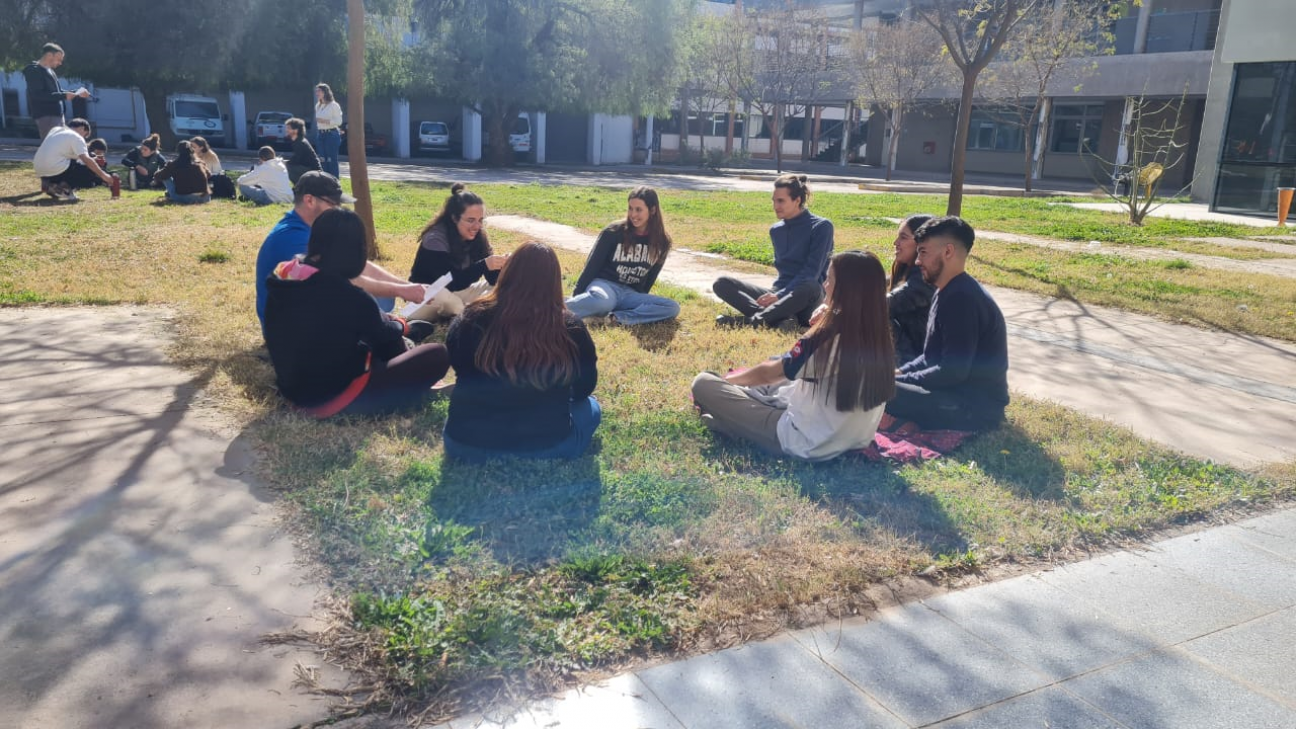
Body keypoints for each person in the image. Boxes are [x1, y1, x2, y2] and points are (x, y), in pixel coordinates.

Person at [692, 251, 896, 461]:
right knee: (780, 381)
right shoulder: (878, 333)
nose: (824, 285)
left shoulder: (829, 335)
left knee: (704, 382)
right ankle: (730, 424)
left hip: (804, 442)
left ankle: (731, 425)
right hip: (855, 438)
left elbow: (770, 374)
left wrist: (727, 382)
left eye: (829, 280)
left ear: (846, 290)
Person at [264, 207, 450, 417]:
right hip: (334, 398)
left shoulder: (283, 276)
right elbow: (383, 333)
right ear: (357, 251)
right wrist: (401, 325)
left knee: (383, 335)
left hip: (292, 389)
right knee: (437, 355)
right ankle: (413, 364)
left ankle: (406, 345)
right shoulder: (348, 296)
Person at [442, 241, 600, 461]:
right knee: (591, 407)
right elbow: (584, 387)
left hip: (465, 442)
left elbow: (457, 363)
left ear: (508, 272)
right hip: (545, 445)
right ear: (553, 282)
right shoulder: (570, 326)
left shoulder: (470, 318)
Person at [254, 171, 426, 333]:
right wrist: (399, 290)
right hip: (292, 330)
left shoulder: (312, 230)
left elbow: (355, 265)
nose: (339, 209)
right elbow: (340, 280)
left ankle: (387, 326)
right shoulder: (294, 238)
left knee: (381, 298)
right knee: (367, 298)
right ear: (309, 200)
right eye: (333, 203)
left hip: (307, 315)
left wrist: (405, 286)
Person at [886, 216, 1009, 431]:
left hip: (973, 408)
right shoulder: (947, 290)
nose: (917, 261)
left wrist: (903, 381)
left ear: (948, 252)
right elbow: (930, 357)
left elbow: (953, 371)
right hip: (955, 396)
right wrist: (900, 373)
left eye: (923, 252)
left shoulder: (961, 299)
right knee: (875, 384)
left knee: (871, 390)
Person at [809, 214, 935, 364]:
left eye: (903, 237)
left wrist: (835, 308)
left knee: (872, 317)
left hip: (917, 357)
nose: (896, 242)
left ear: (922, 244)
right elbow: (870, 287)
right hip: (907, 349)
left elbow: (879, 305)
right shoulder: (907, 271)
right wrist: (830, 302)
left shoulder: (925, 279)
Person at [713, 174, 833, 330]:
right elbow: (784, 271)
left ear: (797, 200)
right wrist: (777, 295)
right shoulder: (776, 230)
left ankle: (752, 322)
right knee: (722, 283)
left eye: (781, 201)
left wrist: (780, 296)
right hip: (779, 294)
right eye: (774, 201)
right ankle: (779, 320)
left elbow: (811, 273)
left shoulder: (822, 227)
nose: (776, 206)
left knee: (810, 285)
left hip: (806, 298)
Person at [565, 186, 680, 326]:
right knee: (602, 302)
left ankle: (614, 318)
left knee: (672, 307)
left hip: (630, 294)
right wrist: (577, 294)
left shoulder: (662, 242)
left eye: (638, 210)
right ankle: (554, 309)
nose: (633, 214)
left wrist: (640, 300)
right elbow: (592, 266)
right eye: (630, 208)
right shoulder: (613, 232)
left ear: (653, 210)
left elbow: (651, 277)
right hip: (604, 286)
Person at [407, 183, 506, 321]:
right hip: (426, 298)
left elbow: (491, 279)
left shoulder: (479, 236)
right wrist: (484, 265)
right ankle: (469, 316)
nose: (477, 226)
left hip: (458, 293)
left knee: (499, 290)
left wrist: (502, 266)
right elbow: (449, 282)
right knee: (446, 298)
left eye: (480, 220)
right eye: (470, 220)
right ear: (454, 218)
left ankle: (468, 312)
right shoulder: (435, 238)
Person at [33, 117, 117, 202]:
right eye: (85, 135)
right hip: (56, 169)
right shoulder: (77, 137)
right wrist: (104, 176)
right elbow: (86, 160)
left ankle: (53, 185)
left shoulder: (56, 130)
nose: (84, 138)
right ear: (82, 128)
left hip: (40, 170)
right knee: (90, 171)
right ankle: (64, 190)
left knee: (73, 164)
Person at [23, 43, 89, 139]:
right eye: (59, 59)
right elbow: (38, 95)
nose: (60, 63)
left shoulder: (50, 71)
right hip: (46, 116)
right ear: (49, 55)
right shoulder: (33, 70)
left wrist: (77, 92)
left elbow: (58, 91)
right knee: (52, 148)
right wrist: (64, 96)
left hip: (57, 116)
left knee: (60, 147)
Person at [153, 140, 211, 205]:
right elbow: (209, 174)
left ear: (178, 151)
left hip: (185, 198)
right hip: (205, 198)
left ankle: (170, 193)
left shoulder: (173, 164)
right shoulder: (200, 163)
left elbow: (159, 175)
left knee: (165, 176)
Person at [313, 83, 343, 178]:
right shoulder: (318, 105)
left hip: (331, 134)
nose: (317, 93)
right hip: (321, 134)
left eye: (319, 91)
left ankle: (334, 182)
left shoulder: (334, 105)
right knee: (322, 159)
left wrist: (326, 121)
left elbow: (339, 121)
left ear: (325, 92)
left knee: (331, 159)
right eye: (316, 91)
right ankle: (325, 180)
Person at [284, 117, 322, 185]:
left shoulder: (300, 142)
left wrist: (285, 163)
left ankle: (300, 187)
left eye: (288, 128)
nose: (286, 130)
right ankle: (300, 186)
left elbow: (297, 160)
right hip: (308, 168)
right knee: (287, 165)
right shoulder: (297, 140)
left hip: (313, 171)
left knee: (287, 167)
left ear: (296, 130)